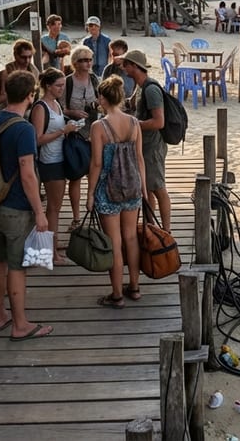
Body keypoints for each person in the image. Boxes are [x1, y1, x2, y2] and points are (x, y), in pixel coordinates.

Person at [0, 70, 53, 341]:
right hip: (16, 206)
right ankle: (20, 324)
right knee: (17, 266)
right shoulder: (24, 129)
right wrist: (40, 212)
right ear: (30, 96)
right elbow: (27, 173)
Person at [86, 75, 147, 306]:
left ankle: (116, 294)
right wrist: (143, 187)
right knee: (131, 237)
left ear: (102, 98)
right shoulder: (133, 123)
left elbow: (97, 163)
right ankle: (134, 286)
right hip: (132, 186)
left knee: (114, 241)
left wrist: (90, 193)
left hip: (107, 189)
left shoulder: (99, 126)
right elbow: (140, 158)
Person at [121, 50, 171, 231]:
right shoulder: (140, 86)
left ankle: (166, 231)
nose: (123, 67)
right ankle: (150, 227)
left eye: (126, 64)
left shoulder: (150, 89)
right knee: (147, 189)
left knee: (158, 188)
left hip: (153, 147)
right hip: (144, 146)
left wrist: (134, 124)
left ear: (134, 66)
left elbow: (159, 122)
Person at [30, 68, 76, 266]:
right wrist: (62, 131)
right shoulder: (41, 107)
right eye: (58, 85)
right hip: (49, 161)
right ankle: (51, 253)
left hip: (59, 158)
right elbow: (37, 139)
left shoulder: (55, 104)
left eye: (63, 85)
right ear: (47, 86)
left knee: (54, 208)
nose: (61, 89)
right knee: (54, 210)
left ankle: (49, 250)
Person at [63, 46, 99, 228]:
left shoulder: (94, 79)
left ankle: (97, 214)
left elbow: (102, 103)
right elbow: (61, 108)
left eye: (90, 59)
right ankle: (76, 218)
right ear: (75, 63)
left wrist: (96, 105)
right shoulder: (68, 82)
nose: (88, 63)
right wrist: (73, 112)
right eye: (84, 60)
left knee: (96, 174)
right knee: (76, 175)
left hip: (94, 131)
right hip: (76, 132)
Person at [0, 39, 41, 111]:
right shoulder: (4, 74)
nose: (27, 60)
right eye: (23, 57)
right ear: (15, 55)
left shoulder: (35, 72)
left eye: (30, 57)